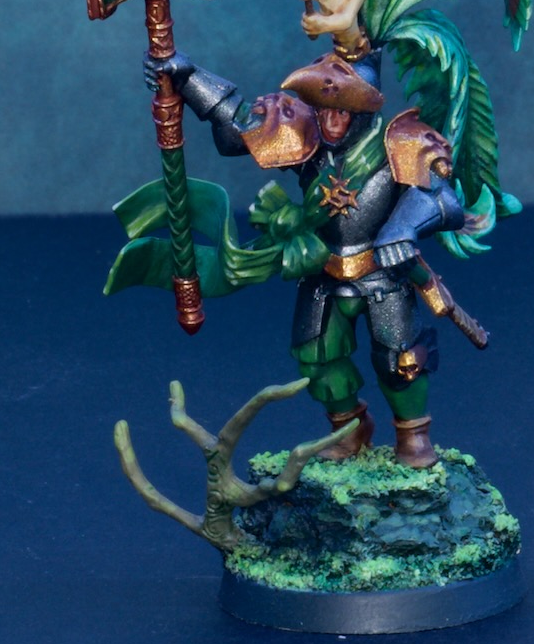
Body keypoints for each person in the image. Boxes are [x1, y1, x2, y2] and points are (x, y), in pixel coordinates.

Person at [144, 47, 463, 468]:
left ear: (364, 110)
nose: (330, 121)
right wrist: (187, 77)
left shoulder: (401, 143)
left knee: (401, 360)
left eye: (342, 111)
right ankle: (348, 429)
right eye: (324, 109)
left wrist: (403, 228)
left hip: (383, 275)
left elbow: (444, 199)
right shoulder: (308, 136)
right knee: (317, 357)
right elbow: (239, 128)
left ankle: (413, 434)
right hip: (323, 272)